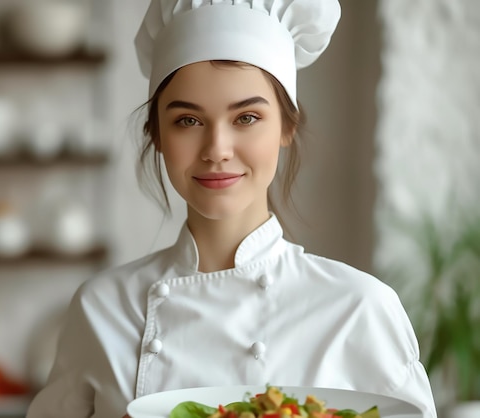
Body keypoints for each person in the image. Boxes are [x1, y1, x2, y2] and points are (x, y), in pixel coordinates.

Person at [26, 1, 438, 417]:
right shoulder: (102, 309)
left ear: (287, 126)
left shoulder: (358, 308)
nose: (217, 150)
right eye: (188, 120)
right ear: (157, 134)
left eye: (246, 118)